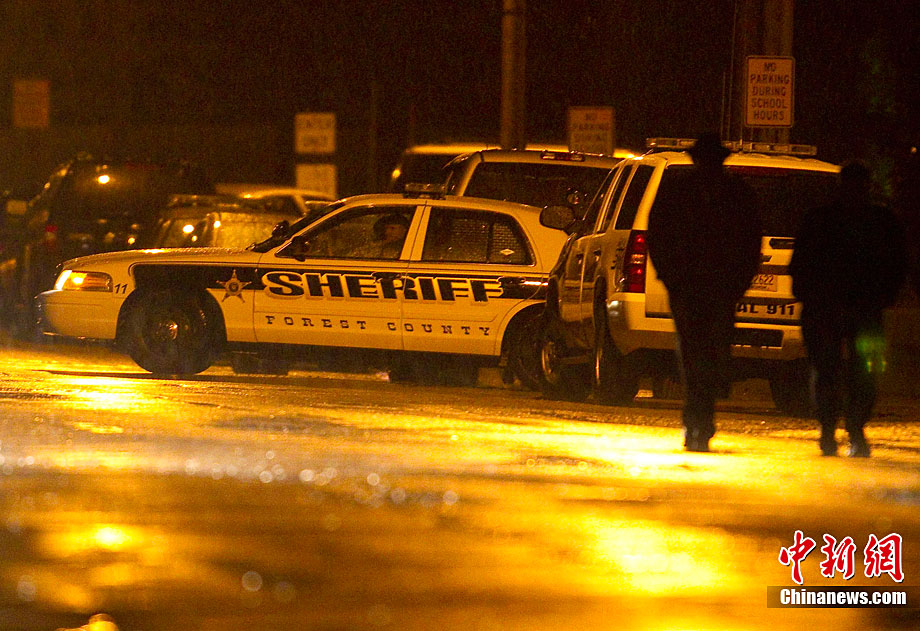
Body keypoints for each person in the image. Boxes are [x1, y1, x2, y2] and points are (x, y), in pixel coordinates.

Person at [646, 132, 763, 452]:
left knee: (711, 352)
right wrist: (671, 276)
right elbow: (659, 235)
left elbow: (750, 241)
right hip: (688, 286)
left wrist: (738, 282)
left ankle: (701, 415)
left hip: (719, 286)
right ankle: (697, 416)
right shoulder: (680, 192)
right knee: (694, 351)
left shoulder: (736, 194)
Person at [790, 161, 907, 457]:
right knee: (852, 369)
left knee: (835, 369)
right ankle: (848, 429)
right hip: (854, 308)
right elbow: (897, 263)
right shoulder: (879, 220)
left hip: (840, 307)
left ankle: (837, 429)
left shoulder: (824, 218)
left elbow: (801, 262)